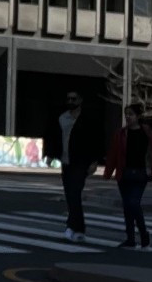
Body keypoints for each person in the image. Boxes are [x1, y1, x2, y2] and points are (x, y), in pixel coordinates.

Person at [43, 88, 105, 240]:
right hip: (66, 161)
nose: (70, 101)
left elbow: (96, 141)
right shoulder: (62, 118)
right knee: (70, 195)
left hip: (81, 161)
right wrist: (50, 154)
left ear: (80, 100)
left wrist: (95, 161)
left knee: (74, 193)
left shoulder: (89, 119)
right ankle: (79, 228)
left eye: (73, 99)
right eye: (68, 99)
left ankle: (71, 226)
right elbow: (53, 136)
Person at [103, 104, 152, 248]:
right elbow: (113, 153)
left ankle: (143, 232)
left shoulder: (147, 132)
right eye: (126, 114)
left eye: (130, 114)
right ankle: (130, 237)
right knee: (127, 206)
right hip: (124, 173)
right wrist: (108, 172)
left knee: (133, 203)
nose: (128, 117)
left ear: (138, 116)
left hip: (141, 173)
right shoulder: (121, 133)